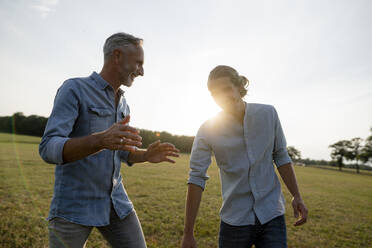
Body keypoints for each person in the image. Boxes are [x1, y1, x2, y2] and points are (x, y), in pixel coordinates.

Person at [39, 32, 179, 248]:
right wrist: (99, 140)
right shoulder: (74, 89)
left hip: (116, 203)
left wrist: (145, 155)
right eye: (138, 63)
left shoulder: (124, 104)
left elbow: (122, 151)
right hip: (73, 205)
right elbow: (49, 148)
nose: (142, 71)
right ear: (117, 56)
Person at [181, 65, 308, 248]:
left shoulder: (268, 114)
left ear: (239, 86)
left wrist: (297, 196)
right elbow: (196, 177)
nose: (223, 98)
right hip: (235, 220)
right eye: (216, 94)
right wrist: (188, 233)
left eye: (227, 89)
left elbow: (281, 156)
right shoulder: (208, 129)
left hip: (272, 214)